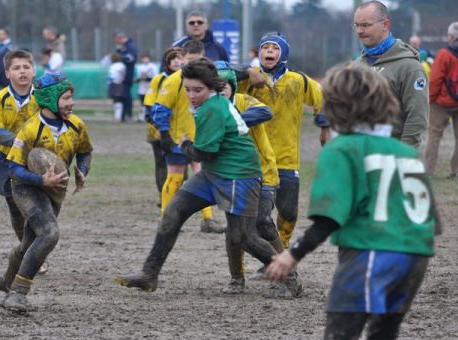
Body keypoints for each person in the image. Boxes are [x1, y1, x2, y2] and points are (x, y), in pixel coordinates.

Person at [267, 64, 439, 340]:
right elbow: (429, 219)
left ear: (336, 104)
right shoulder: (405, 152)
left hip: (371, 255)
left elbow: (329, 217)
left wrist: (292, 255)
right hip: (416, 257)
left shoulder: (341, 149)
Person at [115, 58, 298, 295]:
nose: (191, 95)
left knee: (244, 237)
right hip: (213, 174)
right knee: (173, 212)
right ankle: (149, 274)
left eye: (197, 90)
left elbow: (204, 154)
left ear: (213, 88)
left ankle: (289, 277)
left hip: (239, 175)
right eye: (187, 89)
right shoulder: (206, 104)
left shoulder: (213, 108)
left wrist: (185, 145)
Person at [0, 73, 93, 312]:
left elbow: (85, 151)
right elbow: (14, 167)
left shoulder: (76, 125)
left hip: (54, 190)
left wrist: (81, 170)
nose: (71, 103)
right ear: (49, 99)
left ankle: (6, 281)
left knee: (29, 242)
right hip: (27, 188)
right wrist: (40, 180)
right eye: (66, 98)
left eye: (72, 98)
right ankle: (16, 294)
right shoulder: (30, 130)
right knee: (49, 233)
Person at [236, 32, 329, 249]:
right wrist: (247, 71)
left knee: (288, 212)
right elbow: (219, 72)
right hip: (254, 158)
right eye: (265, 47)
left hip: (287, 157)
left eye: (275, 48)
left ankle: (283, 248)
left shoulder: (299, 80)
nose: (269, 51)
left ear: (284, 53)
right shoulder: (247, 80)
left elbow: (323, 98)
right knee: (254, 217)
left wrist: (324, 126)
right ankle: (256, 263)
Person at [151, 40, 224, 233]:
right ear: (183, 59)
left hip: (202, 139)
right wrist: (165, 133)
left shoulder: (208, 81)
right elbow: (160, 108)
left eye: (198, 60)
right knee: (175, 178)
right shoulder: (174, 80)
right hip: (178, 139)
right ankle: (166, 219)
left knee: (204, 177)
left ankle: (207, 220)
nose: (193, 64)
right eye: (190, 60)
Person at [216, 63, 285, 256]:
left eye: (225, 85)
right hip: (232, 176)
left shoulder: (244, 100)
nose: (221, 90)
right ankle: (237, 279)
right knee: (234, 230)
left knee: (262, 221)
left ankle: (287, 266)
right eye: (216, 86)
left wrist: (232, 120)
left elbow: (265, 112)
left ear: (232, 85)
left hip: (264, 173)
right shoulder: (208, 109)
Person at [0, 49, 39, 269]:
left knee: (36, 209)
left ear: (33, 70)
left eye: (26, 67)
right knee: (16, 209)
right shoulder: (0, 98)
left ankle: (36, 252)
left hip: (36, 161)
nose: (22, 72)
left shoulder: (43, 96)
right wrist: (20, 141)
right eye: (17, 68)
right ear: (8, 73)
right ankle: (28, 249)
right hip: (7, 161)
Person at [354, 1, 428, 148]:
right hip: (359, 154)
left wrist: (402, 155)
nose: (359, 31)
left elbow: (417, 117)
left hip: (391, 156)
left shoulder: (409, 66)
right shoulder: (357, 65)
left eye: (366, 25)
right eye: (356, 25)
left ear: (385, 25)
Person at [424, 22, 458, 178]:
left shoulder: (444, 54)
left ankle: (428, 171)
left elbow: (435, 79)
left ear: (451, 37)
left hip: (442, 102)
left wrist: (431, 99)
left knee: (434, 135)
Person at [143, 47, 184, 206]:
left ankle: (178, 196)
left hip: (181, 131)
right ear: (166, 61)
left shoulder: (188, 79)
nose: (176, 61)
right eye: (172, 58)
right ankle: (163, 196)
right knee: (161, 163)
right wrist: (158, 125)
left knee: (182, 166)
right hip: (158, 130)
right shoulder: (159, 79)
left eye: (179, 57)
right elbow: (150, 105)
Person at [114, 31, 138, 122]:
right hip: (124, 75)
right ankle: (123, 116)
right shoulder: (125, 46)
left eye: (117, 41)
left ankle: (128, 115)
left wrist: (120, 56)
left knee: (127, 95)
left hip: (127, 75)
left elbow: (132, 58)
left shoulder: (130, 46)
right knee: (123, 95)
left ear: (121, 38)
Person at [136, 52, 158, 122]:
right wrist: (140, 79)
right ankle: (142, 117)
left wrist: (147, 78)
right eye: (143, 58)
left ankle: (151, 117)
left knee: (149, 103)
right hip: (142, 88)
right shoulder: (140, 67)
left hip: (150, 88)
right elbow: (138, 77)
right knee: (143, 104)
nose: (145, 60)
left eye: (146, 58)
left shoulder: (153, 66)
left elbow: (155, 77)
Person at [107, 53, 126, 123]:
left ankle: (118, 117)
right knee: (117, 101)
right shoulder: (122, 65)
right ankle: (117, 117)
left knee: (117, 101)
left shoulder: (115, 66)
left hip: (115, 84)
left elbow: (112, 76)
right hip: (119, 84)